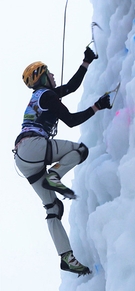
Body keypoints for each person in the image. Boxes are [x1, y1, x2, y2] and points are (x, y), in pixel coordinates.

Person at [13, 47, 111, 276]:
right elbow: (71, 120)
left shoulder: (42, 97)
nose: (54, 77)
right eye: (50, 74)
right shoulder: (47, 96)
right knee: (80, 150)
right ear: (43, 77)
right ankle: (55, 176)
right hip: (34, 146)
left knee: (53, 208)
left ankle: (66, 257)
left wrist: (86, 63)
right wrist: (98, 106)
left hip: (23, 158)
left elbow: (70, 87)